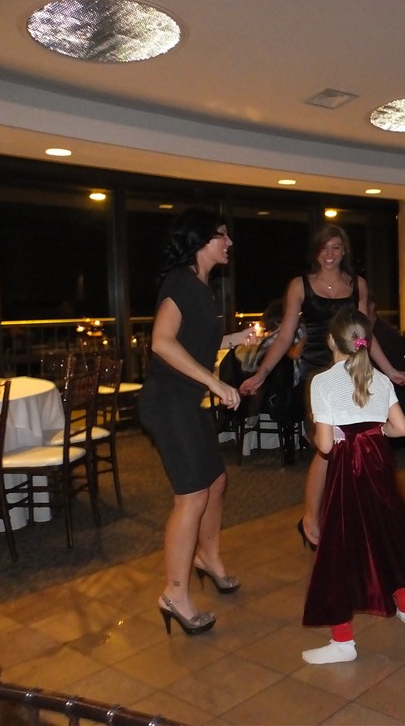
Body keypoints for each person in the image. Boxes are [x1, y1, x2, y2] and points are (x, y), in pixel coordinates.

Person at [238, 226, 405, 541]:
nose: (329, 254)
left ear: (344, 250)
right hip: (316, 374)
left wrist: (388, 371)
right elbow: (284, 336)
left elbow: (364, 335)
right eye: (323, 248)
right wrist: (261, 374)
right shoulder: (299, 285)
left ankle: (348, 514)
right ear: (315, 251)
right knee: (324, 449)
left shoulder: (357, 285)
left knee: (354, 446)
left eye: (335, 247)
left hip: (352, 370)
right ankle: (310, 518)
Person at [138, 208, 256, 636]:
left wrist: (234, 339)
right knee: (191, 496)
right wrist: (215, 382)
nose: (229, 242)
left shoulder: (202, 287)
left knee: (216, 483)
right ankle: (174, 593)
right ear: (199, 240)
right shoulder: (180, 282)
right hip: (168, 402)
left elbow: (195, 341)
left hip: (186, 403)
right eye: (221, 235)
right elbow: (162, 342)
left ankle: (208, 557)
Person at [299, 307, 405, 664]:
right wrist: (376, 434)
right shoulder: (381, 380)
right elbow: (402, 429)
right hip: (379, 468)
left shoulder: (323, 382)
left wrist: (335, 433)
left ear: (332, 341)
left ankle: (343, 641)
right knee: (384, 534)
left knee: (340, 550)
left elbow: (325, 445)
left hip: (348, 473)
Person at [367, 293, 405, 447]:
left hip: (396, 391)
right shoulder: (376, 329)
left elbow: (380, 369)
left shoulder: (384, 334)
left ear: (372, 306)